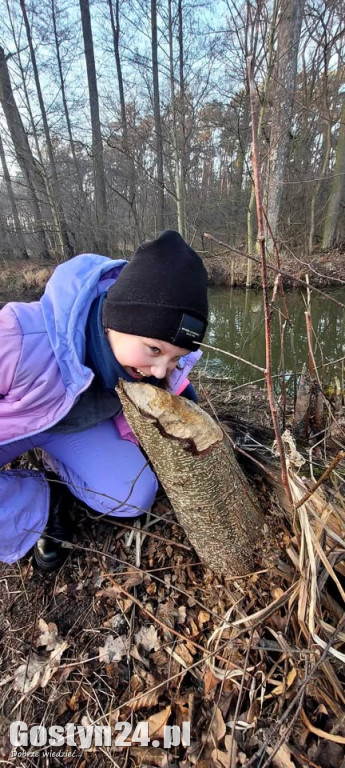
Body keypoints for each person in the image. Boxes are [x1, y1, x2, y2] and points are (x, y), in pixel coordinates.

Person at [0, 230, 208, 571]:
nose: (159, 370)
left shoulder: (158, 360)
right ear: (115, 322)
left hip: (70, 430)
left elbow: (178, 386)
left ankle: (50, 495)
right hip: (11, 430)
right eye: (154, 350)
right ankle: (25, 507)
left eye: (174, 357)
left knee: (132, 496)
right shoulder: (20, 337)